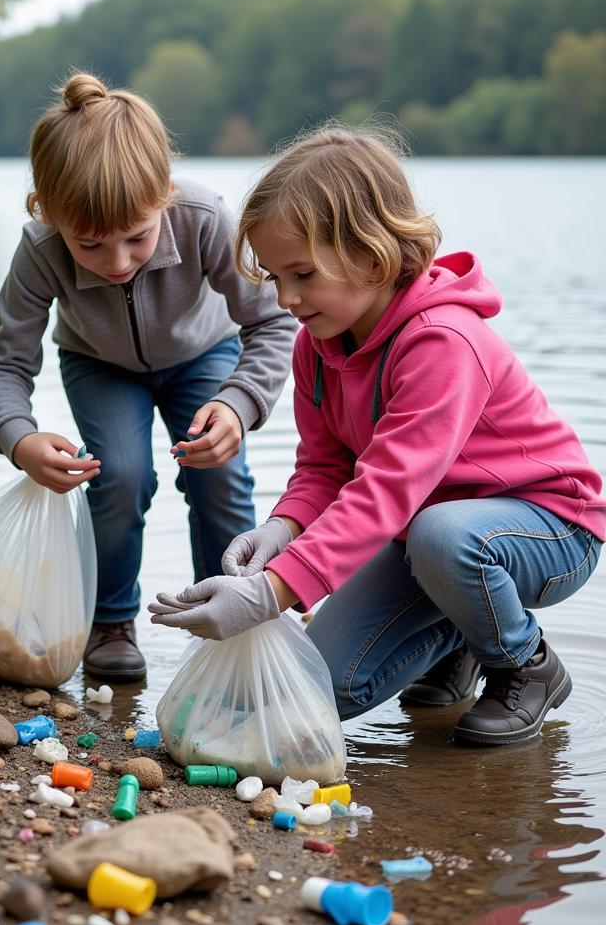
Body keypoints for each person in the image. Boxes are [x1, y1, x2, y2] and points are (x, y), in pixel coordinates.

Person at [150, 123, 604, 745]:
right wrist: (281, 531)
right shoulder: (316, 345)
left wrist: (272, 593)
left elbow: (386, 489)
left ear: (370, 253)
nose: (285, 298)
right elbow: (325, 470)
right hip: (426, 532)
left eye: (302, 275)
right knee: (314, 693)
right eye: (277, 278)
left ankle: (524, 663)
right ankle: (463, 637)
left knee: (443, 536)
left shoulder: (442, 341)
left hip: (548, 527)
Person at [0, 72, 296, 682]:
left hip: (203, 357)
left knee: (219, 475)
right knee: (118, 475)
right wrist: (19, 438)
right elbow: (6, 361)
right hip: (99, 365)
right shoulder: (40, 249)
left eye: (138, 238)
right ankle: (112, 622)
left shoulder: (205, 219)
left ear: (167, 193)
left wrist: (239, 402)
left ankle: (230, 613)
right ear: (47, 212)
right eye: (91, 246)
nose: (118, 263)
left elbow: (273, 322)